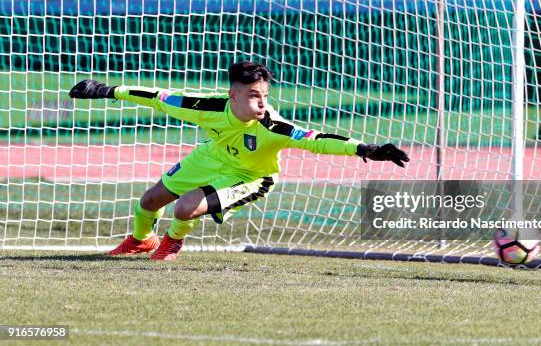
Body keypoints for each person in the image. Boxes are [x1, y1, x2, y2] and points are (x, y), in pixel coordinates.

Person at [69, 61, 408, 260]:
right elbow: (158, 98)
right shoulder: (207, 108)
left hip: (250, 175)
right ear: (233, 95)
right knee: (150, 200)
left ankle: (173, 240)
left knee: (184, 208)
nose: (261, 103)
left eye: (265, 96)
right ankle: (142, 240)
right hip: (213, 156)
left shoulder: (272, 126)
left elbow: (315, 140)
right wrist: (106, 90)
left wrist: (365, 149)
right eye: (253, 95)